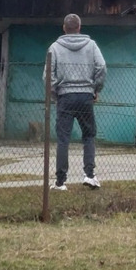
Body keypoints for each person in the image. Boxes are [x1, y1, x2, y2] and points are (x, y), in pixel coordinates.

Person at [44, 13, 106, 191]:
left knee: (63, 138)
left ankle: (61, 182)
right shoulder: (91, 45)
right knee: (88, 135)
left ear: (64, 28)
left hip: (65, 96)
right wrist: (95, 89)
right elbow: (101, 67)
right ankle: (89, 175)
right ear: (79, 27)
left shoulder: (55, 47)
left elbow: (47, 75)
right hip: (86, 95)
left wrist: (56, 93)